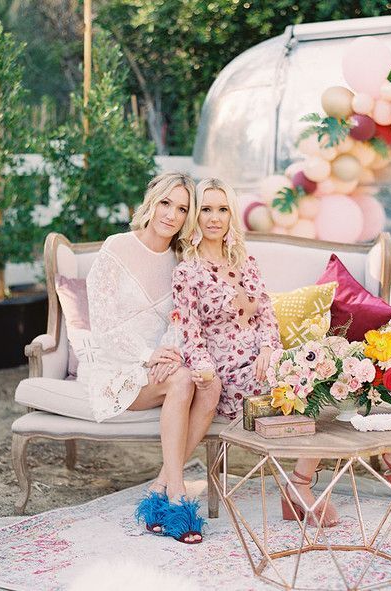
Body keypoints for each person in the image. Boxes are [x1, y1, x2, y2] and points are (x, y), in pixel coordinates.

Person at [171, 177, 339, 528]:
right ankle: (298, 489)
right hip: (227, 372)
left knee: (324, 379)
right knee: (306, 390)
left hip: (265, 359)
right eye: (206, 209)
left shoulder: (246, 262)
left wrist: (268, 349)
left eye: (222, 210)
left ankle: (299, 483)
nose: (214, 218)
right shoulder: (188, 272)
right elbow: (189, 331)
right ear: (195, 217)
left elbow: (266, 317)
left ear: (232, 216)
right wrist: (205, 371)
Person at [79, 172, 221, 544]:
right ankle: (176, 496)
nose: (171, 215)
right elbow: (104, 323)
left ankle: (159, 488)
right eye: (165, 203)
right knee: (182, 380)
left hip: (162, 366)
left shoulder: (182, 260)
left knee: (207, 384)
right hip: (118, 368)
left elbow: (181, 318)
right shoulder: (117, 247)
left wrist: (169, 353)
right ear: (152, 202)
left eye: (182, 209)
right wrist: (148, 355)